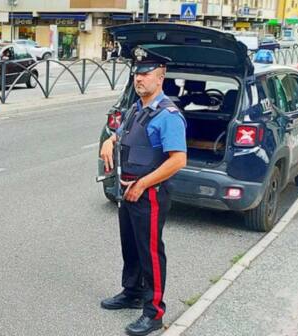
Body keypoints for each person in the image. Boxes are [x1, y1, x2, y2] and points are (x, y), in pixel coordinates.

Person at [99, 46, 187, 336]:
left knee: (150, 252)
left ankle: (154, 312)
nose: (139, 79)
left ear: (160, 78)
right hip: (128, 190)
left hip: (149, 192)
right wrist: (109, 141)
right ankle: (132, 292)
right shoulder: (137, 108)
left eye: (146, 74)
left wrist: (143, 184)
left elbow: (178, 160)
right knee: (131, 246)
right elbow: (122, 133)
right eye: (137, 73)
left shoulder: (168, 115)